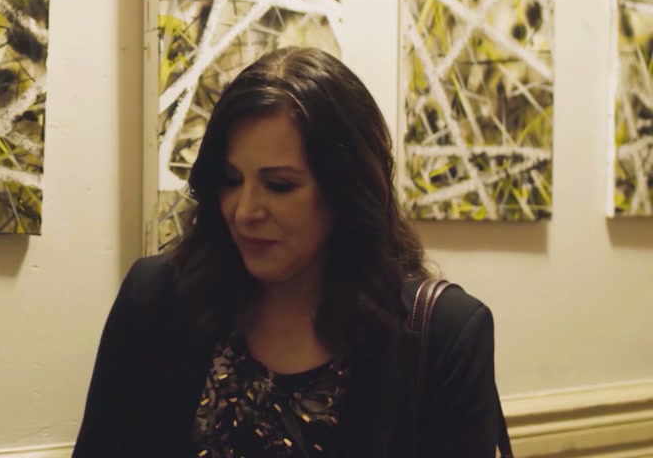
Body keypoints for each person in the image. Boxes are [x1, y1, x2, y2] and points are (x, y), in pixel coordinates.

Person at [73, 47, 509, 458]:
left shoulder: (445, 333)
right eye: (231, 180)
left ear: (345, 189)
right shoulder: (156, 299)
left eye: (279, 185)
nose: (245, 211)